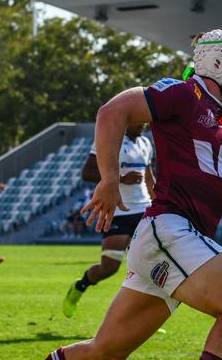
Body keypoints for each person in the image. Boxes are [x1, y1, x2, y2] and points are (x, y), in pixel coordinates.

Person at [45, 29, 222, 360]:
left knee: (103, 352)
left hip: (175, 239)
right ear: (220, 63)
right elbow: (111, 112)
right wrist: (109, 178)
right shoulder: (183, 94)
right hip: (169, 230)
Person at [62, 123, 155, 318]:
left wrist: (159, 201)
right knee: (110, 267)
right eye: (140, 119)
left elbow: (148, 178)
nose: (144, 124)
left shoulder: (146, 143)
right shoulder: (110, 140)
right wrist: (122, 178)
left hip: (144, 210)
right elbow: (88, 173)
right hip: (118, 210)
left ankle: (142, 317)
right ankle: (80, 286)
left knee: (151, 265)